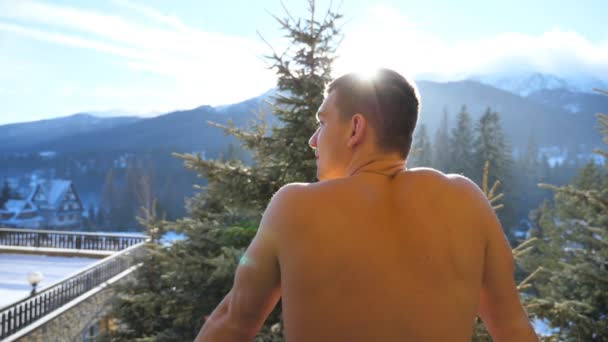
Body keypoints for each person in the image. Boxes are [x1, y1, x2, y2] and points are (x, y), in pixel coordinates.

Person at [195, 68, 538, 341]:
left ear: (355, 128)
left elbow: (233, 324)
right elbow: (513, 330)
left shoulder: (294, 207)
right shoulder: (467, 202)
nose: (313, 139)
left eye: (323, 121)